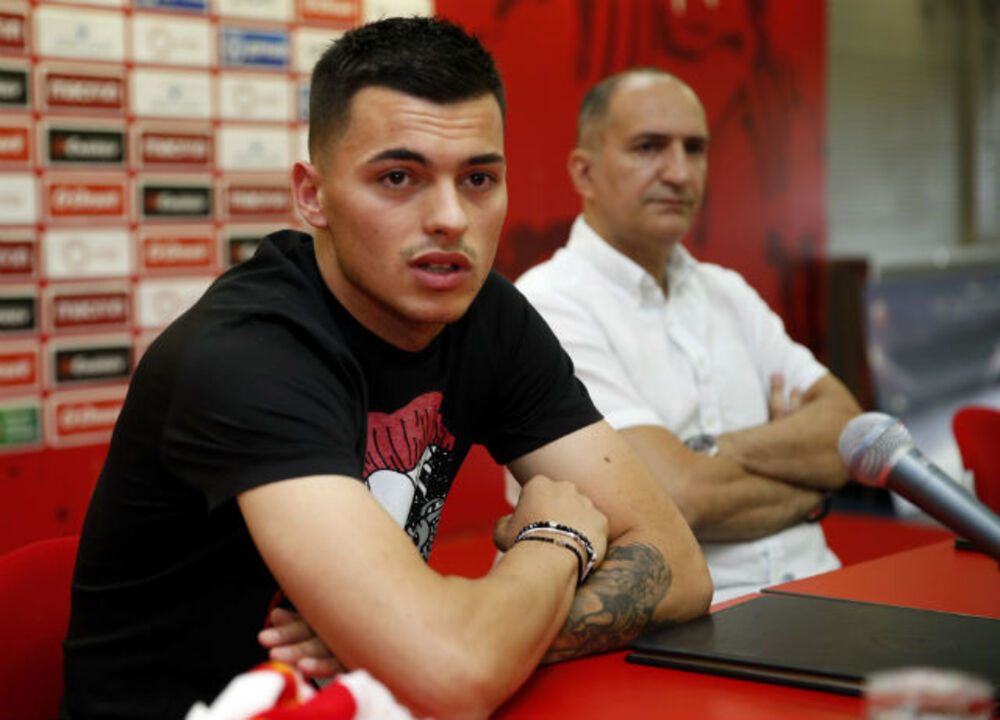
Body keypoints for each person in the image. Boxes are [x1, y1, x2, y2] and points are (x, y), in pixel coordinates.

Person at [61, 22, 711, 720]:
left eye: (479, 179)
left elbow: (679, 567)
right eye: (398, 178)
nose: (450, 218)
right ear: (312, 196)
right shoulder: (247, 354)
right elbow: (455, 673)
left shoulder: (485, 314)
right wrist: (557, 541)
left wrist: (443, 636)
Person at [515, 67, 862, 604]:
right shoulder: (548, 305)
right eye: (649, 147)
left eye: (694, 148)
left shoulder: (728, 292)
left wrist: (703, 451)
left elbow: (850, 436)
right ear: (584, 173)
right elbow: (679, 497)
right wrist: (810, 485)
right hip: (696, 616)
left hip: (828, 586)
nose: (679, 172)